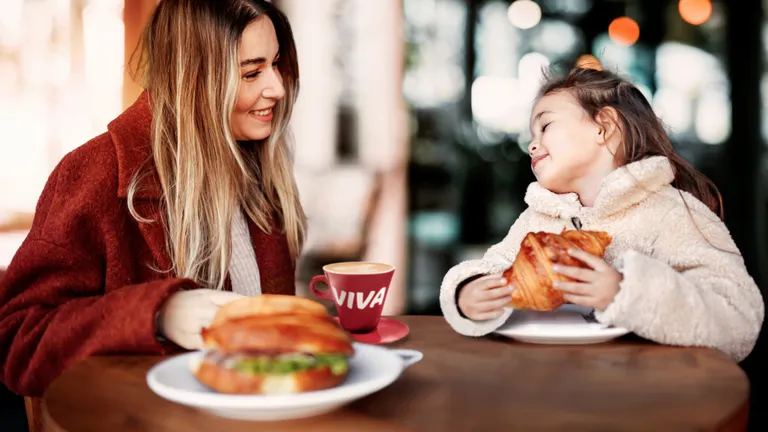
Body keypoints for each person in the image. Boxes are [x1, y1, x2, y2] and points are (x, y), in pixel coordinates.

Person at [0, 0, 306, 397]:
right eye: (251, 72)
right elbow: (17, 341)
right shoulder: (93, 173)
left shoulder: (262, 168)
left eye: (276, 63)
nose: (278, 88)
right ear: (192, 78)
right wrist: (158, 314)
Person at [440, 67, 764, 362]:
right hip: (546, 382)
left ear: (604, 127)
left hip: (647, 391)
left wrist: (626, 292)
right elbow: (494, 267)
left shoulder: (671, 212)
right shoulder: (538, 218)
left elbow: (738, 322)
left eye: (546, 126)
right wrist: (468, 293)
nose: (532, 146)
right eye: (531, 136)